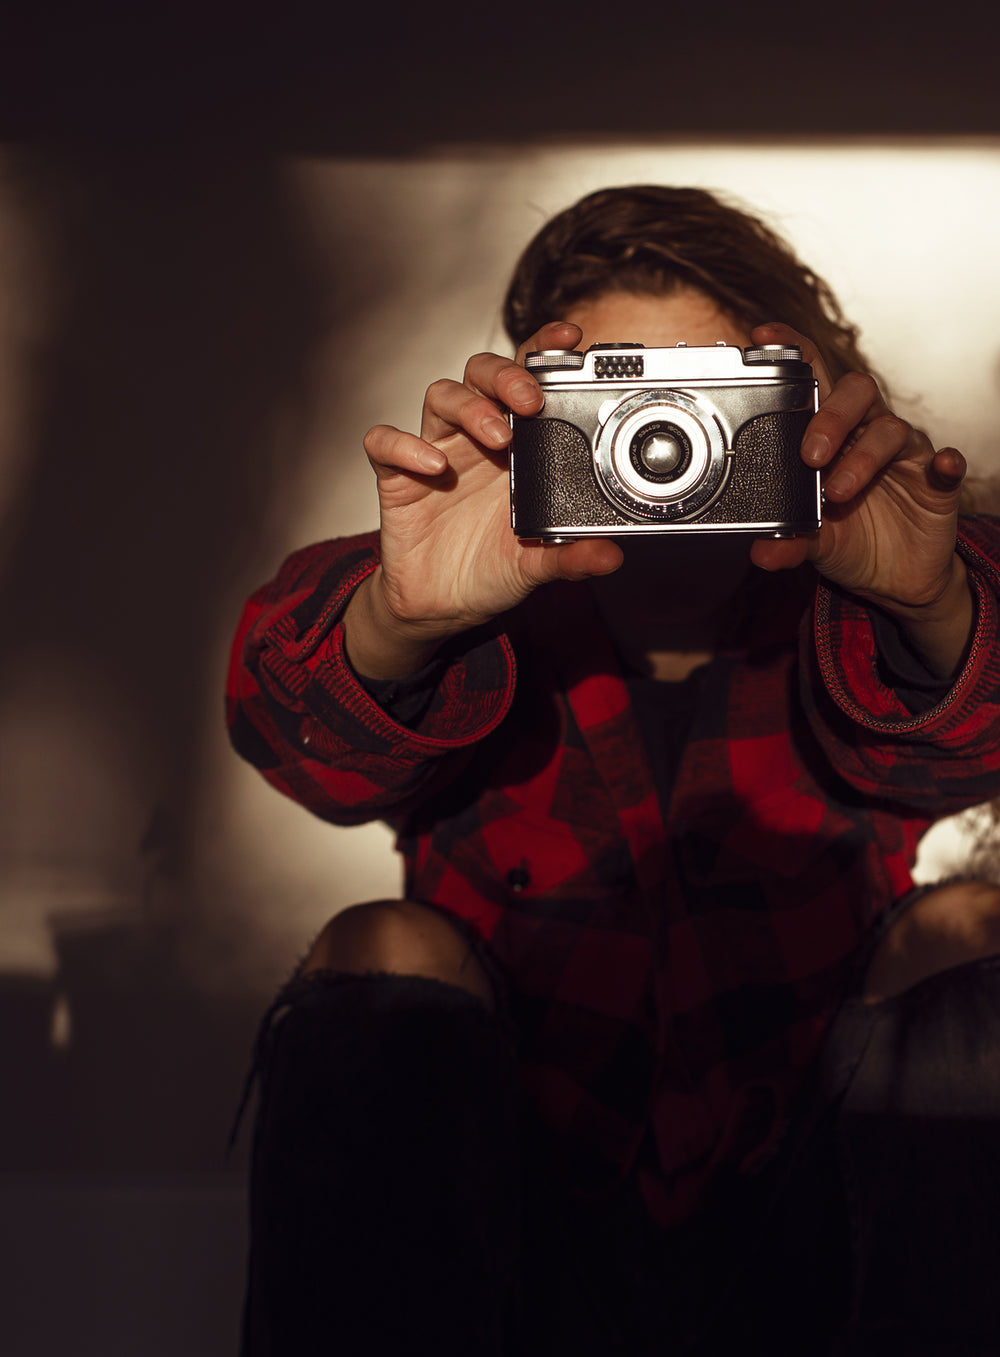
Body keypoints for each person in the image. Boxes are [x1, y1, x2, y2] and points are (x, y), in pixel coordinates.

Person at [226, 185, 1000, 1355]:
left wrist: (930, 609)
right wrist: (401, 620)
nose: (661, 434)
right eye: (621, 392)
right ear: (535, 409)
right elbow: (296, 742)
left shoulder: (851, 609)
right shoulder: (481, 610)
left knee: (965, 928)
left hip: (811, 1221)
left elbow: (964, 740)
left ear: (802, 408)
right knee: (381, 948)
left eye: (706, 395)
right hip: (523, 1223)